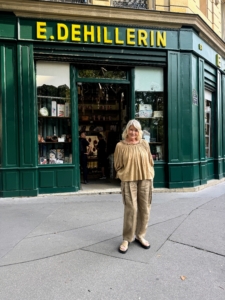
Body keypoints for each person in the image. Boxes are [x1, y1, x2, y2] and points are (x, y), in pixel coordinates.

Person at [114, 119, 154, 254]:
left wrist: (150, 173)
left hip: (145, 179)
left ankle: (140, 235)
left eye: (136, 130)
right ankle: (127, 238)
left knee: (145, 208)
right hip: (129, 180)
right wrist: (123, 174)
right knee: (131, 209)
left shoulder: (144, 144)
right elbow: (117, 165)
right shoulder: (120, 146)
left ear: (139, 131)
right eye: (131, 129)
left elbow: (150, 160)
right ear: (127, 130)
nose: (133, 132)